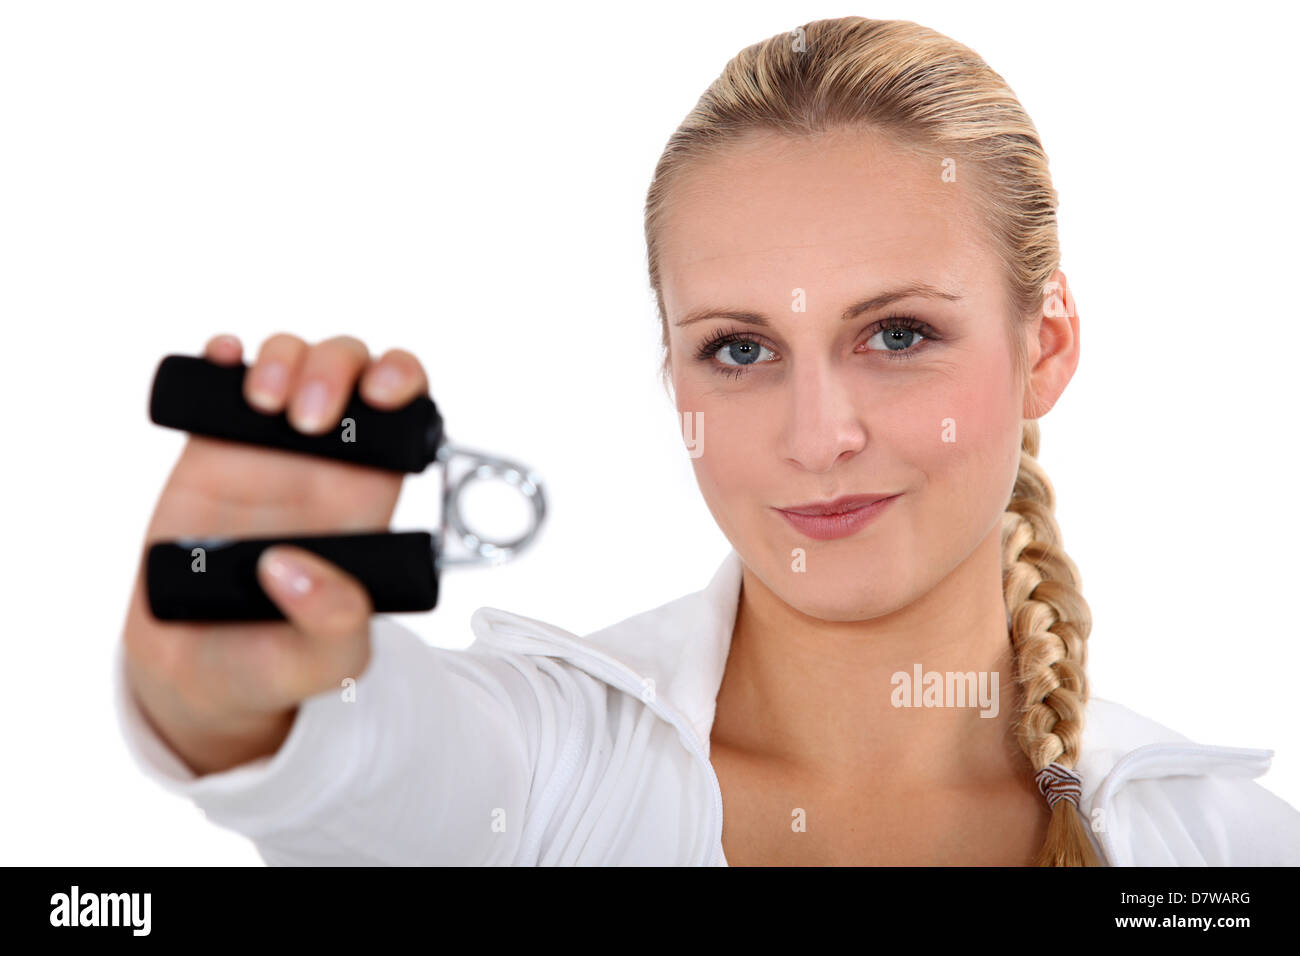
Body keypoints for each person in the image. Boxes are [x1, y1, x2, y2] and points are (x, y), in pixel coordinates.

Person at [116, 15, 1300, 865]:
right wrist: (236, 697)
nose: (817, 434)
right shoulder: (543, 768)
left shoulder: (1224, 850)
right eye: (739, 348)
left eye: (895, 333)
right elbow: (368, 766)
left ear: (1043, 348)